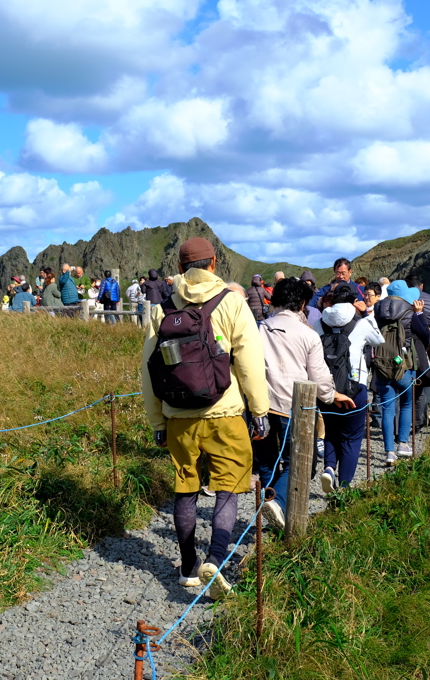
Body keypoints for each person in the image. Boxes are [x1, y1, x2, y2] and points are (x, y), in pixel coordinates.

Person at [142, 237, 269, 599]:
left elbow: (148, 372)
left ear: (180, 268)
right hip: (225, 412)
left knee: (186, 486)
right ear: (214, 263)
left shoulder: (162, 309)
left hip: (179, 417)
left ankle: (187, 566)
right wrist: (259, 410)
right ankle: (215, 559)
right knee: (228, 487)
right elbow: (249, 362)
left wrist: (158, 422)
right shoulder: (232, 302)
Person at [254, 278, 353, 529]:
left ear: (274, 301)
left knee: (267, 462)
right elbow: (319, 376)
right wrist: (332, 395)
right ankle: (277, 504)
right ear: (302, 304)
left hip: (259, 407)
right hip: (294, 406)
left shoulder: (258, 329)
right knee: (300, 462)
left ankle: (274, 509)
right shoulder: (308, 334)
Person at [315, 286, 385, 491]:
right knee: (352, 438)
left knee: (331, 432)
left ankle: (329, 468)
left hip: (327, 390)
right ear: (354, 302)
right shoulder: (361, 323)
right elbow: (379, 340)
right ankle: (344, 487)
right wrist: (367, 314)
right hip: (355, 389)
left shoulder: (318, 323)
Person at [374, 280, 430, 465]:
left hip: (382, 365)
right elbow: (425, 335)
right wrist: (419, 314)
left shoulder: (377, 310)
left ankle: (389, 452)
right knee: (407, 403)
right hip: (404, 365)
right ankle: (403, 444)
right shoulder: (409, 311)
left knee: (387, 408)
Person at [406, 274, 430, 431]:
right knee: (427, 378)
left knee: (411, 381)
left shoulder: (406, 299)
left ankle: (413, 416)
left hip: (411, 346)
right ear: (421, 285)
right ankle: (424, 410)